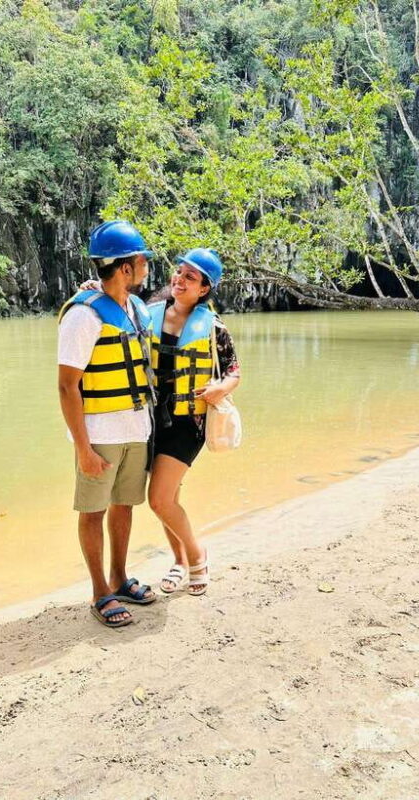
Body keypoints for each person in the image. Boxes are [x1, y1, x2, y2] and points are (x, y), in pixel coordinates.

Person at [57, 220, 157, 628]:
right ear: (125, 268)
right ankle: (99, 591)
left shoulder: (133, 308)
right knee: (93, 511)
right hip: (100, 436)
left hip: (136, 430)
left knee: (124, 505)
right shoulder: (83, 316)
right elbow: (67, 386)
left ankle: (119, 577)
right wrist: (82, 448)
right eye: (141, 258)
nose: (148, 264)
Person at [148, 248, 240, 596]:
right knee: (169, 497)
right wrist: (95, 288)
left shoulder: (214, 327)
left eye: (190, 277)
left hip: (190, 422)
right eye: (179, 272)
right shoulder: (149, 313)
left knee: (159, 499)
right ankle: (178, 561)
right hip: (151, 419)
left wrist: (220, 388)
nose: (180, 280)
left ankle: (196, 556)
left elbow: (234, 371)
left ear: (204, 288)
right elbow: (117, 309)